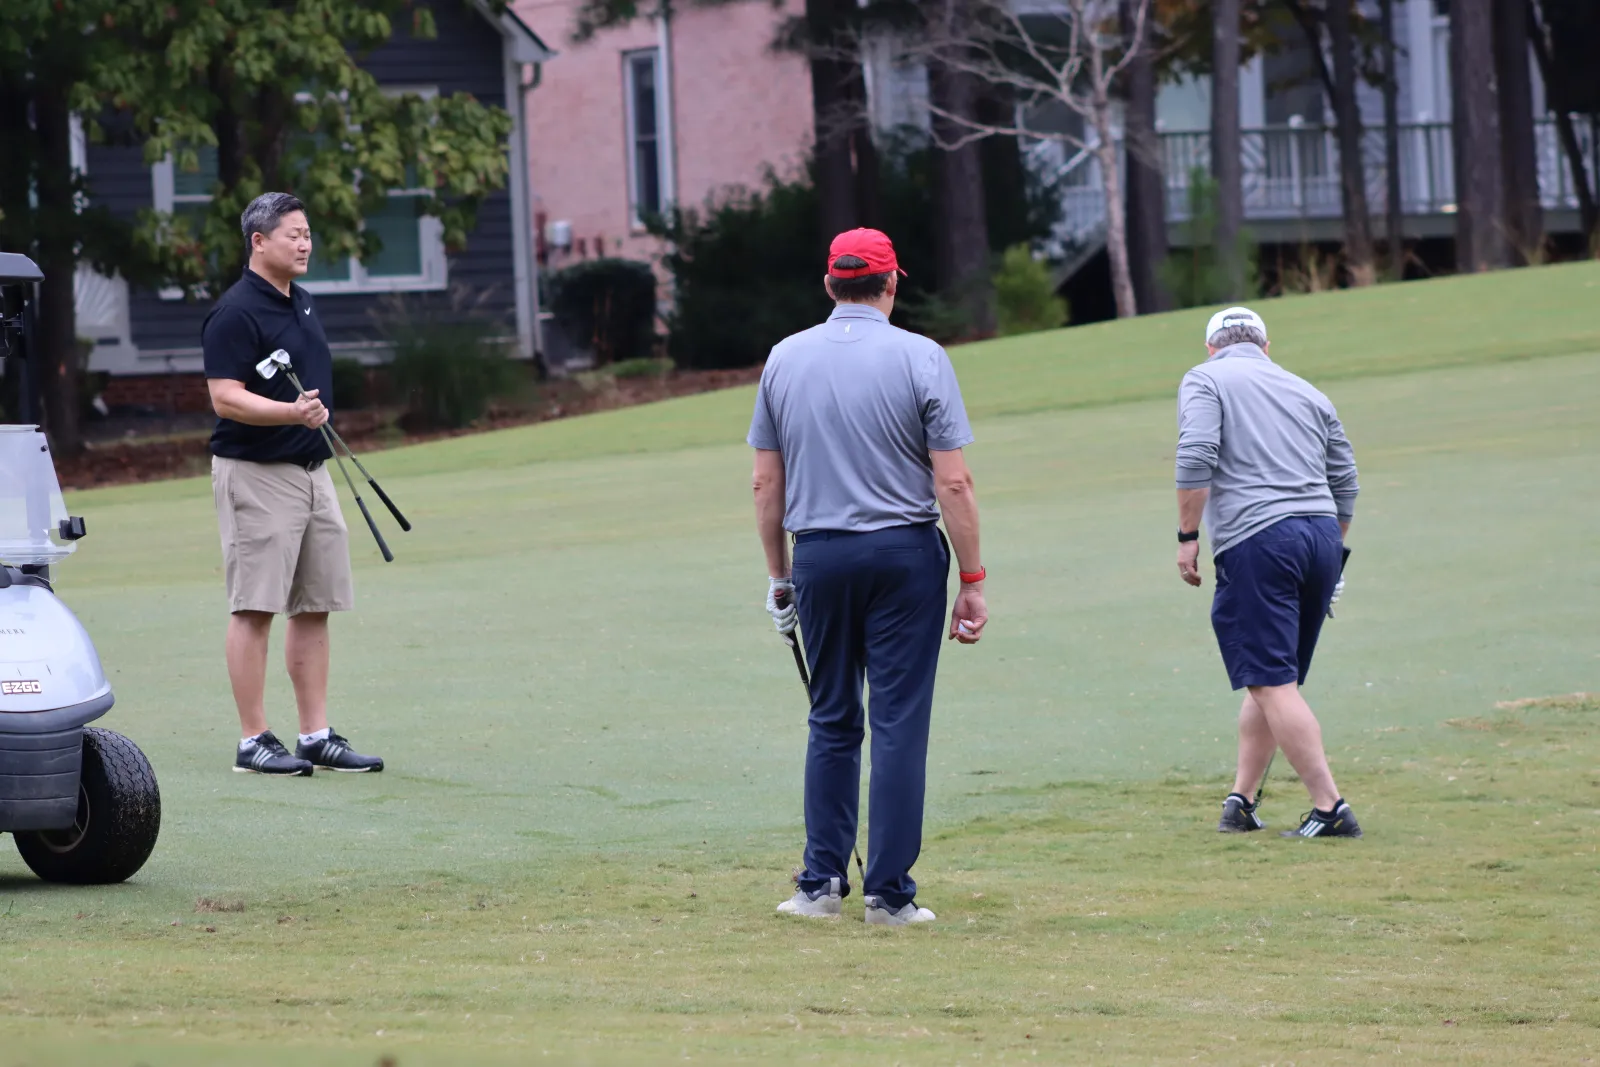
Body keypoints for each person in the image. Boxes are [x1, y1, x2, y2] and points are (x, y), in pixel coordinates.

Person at [749, 228, 988, 926]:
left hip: (819, 554)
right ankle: (888, 893)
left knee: (831, 718)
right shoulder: (923, 356)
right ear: (890, 285)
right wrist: (972, 576)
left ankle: (819, 882)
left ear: (830, 285)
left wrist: (779, 577)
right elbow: (955, 482)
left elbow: (767, 483)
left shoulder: (784, 358)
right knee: (898, 723)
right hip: (905, 554)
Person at [202, 192, 383, 777]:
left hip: (313, 472)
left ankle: (315, 735)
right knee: (255, 607)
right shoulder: (235, 313)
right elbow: (225, 397)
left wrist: (306, 425)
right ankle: (253, 740)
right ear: (259, 242)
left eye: (308, 233)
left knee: (314, 606)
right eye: (293, 234)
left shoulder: (302, 302)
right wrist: (290, 415)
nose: (305, 243)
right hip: (257, 477)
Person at [1175, 306, 1360, 839]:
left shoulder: (1204, 378)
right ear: (1265, 345)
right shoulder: (1306, 390)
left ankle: (1330, 809)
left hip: (1258, 539)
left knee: (1270, 681)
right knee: (1278, 679)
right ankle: (1242, 800)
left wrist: (1188, 538)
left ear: (1211, 347)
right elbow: (1345, 479)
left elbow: (1196, 453)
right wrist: (1332, 550)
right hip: (1322, 535)